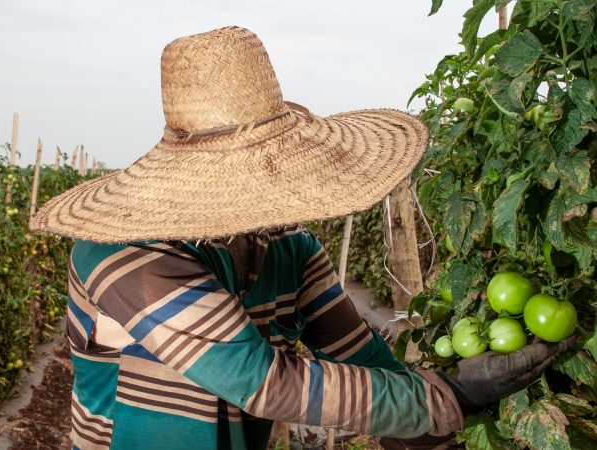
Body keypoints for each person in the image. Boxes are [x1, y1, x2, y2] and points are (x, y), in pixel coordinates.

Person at [30, 26, 574, 450]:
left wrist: (432, 423)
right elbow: (261, 381)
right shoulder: (122, 253)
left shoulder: (288, 245)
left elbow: (356, 353)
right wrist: (451, 395)